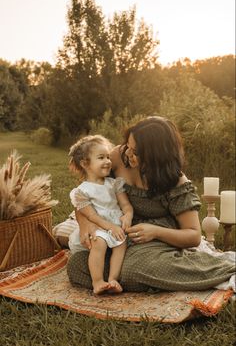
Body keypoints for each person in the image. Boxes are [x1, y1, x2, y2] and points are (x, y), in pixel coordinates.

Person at [67, 116, 235, 293]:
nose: (128, 154)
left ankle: (223, 269)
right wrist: (86, 223)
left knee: (136, 268)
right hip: (119, 236)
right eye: (128, 146)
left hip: (156, 242)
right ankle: (118, 279)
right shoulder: (118, 157)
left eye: (136, 152)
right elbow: (86, 194)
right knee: (77, 265)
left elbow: (193, 236)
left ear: (156, 156)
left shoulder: (175, 181)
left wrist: (155, 232)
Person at [68, 135, 133, 294]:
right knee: (99, 243)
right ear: (85, 164)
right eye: (101, 157)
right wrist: (110, 227)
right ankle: (97, 281)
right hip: (98, 226)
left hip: (116, 225)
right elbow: (92, 217)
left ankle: (112, 279)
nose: (107, 161)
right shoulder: (82, 191)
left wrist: (128, 215)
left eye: (108, 157)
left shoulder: (114, 184)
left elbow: (125, 205)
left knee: (121, 244)